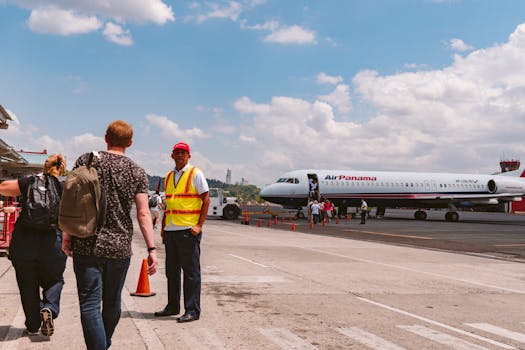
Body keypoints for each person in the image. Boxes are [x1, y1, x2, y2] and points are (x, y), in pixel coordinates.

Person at [62, 120, 158, 350]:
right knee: (113, 302)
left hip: (87, 242)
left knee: (90, 304)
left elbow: (72, 202)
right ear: (130, 143)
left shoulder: (86, 160)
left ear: (106, 137)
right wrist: (151, 248)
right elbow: (144, 213)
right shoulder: (136, 171)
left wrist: (67, 235)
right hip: (120, 246)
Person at [0, 154, 67, 337]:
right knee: (55, 280)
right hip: (52, 243)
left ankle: (32, 324)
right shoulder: (63, 187)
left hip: (24, 243)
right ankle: (49, 308)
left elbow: (4, 188)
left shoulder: (30, 182)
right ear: (62, 170)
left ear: (45, 167)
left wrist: (29, 182)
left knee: (27, 285)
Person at [155, 142, 210, 323]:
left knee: (191, 273)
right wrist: (163, 227)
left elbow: (206, 200)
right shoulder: (169, 176)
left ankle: (192, 310)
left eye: (183, 152)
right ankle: (172, 306)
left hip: (188, 231)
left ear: (188, 156)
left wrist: (199, 225)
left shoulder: (196, 173)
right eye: (177, 152)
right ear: (172, 155)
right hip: (171, 231)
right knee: (171, 272)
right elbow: (169, 204)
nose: (180, 155)